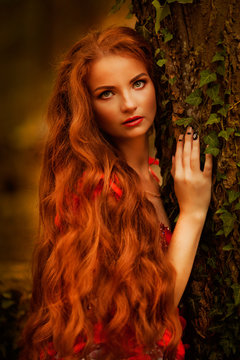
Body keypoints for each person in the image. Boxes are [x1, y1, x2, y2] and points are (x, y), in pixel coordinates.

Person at [20, 26, 212, 360]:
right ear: (87, 107)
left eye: (138, 83)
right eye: (106, 93)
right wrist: (193, 214)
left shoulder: (154, 173)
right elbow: (150, 313)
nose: (128, 104)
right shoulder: (97, 188)